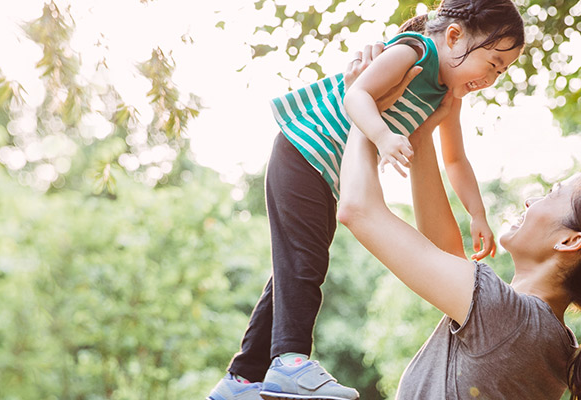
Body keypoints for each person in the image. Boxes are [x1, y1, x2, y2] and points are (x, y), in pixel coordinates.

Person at [208, 0, 525, 399]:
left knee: (293, 269)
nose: (493, 78)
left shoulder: (448, 95)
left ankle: (241, 381)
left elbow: (456, 159)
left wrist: (477, 213)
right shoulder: (414, 51)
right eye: (493, 62)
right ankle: (290, 360)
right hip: (303, 151)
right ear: (455, 36)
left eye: (502, 70)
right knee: (304, 265)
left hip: (326, 173)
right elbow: (357, 93)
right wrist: (381, 135)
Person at [334, 115, 581, 398]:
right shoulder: (550, 340)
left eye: (551, 194)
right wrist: (424, 126)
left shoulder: (511, 320)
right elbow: (444, 253)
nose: (531, 200)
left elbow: (358, 209)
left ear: (568, 241)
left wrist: (363, 107)